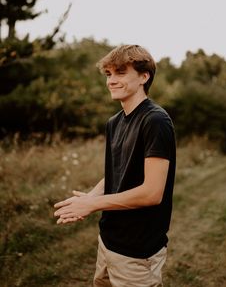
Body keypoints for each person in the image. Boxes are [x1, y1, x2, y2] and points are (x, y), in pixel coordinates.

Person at [54, 44, 176, 287]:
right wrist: (87, 198)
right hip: (108, 242)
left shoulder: (156, 120)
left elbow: (152, 193)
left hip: (138, 252)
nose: (111, 80)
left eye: (120, 72)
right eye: (109, 74)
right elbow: (116, 174)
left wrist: (92, 205)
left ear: (144, 76)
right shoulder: (114, 122)